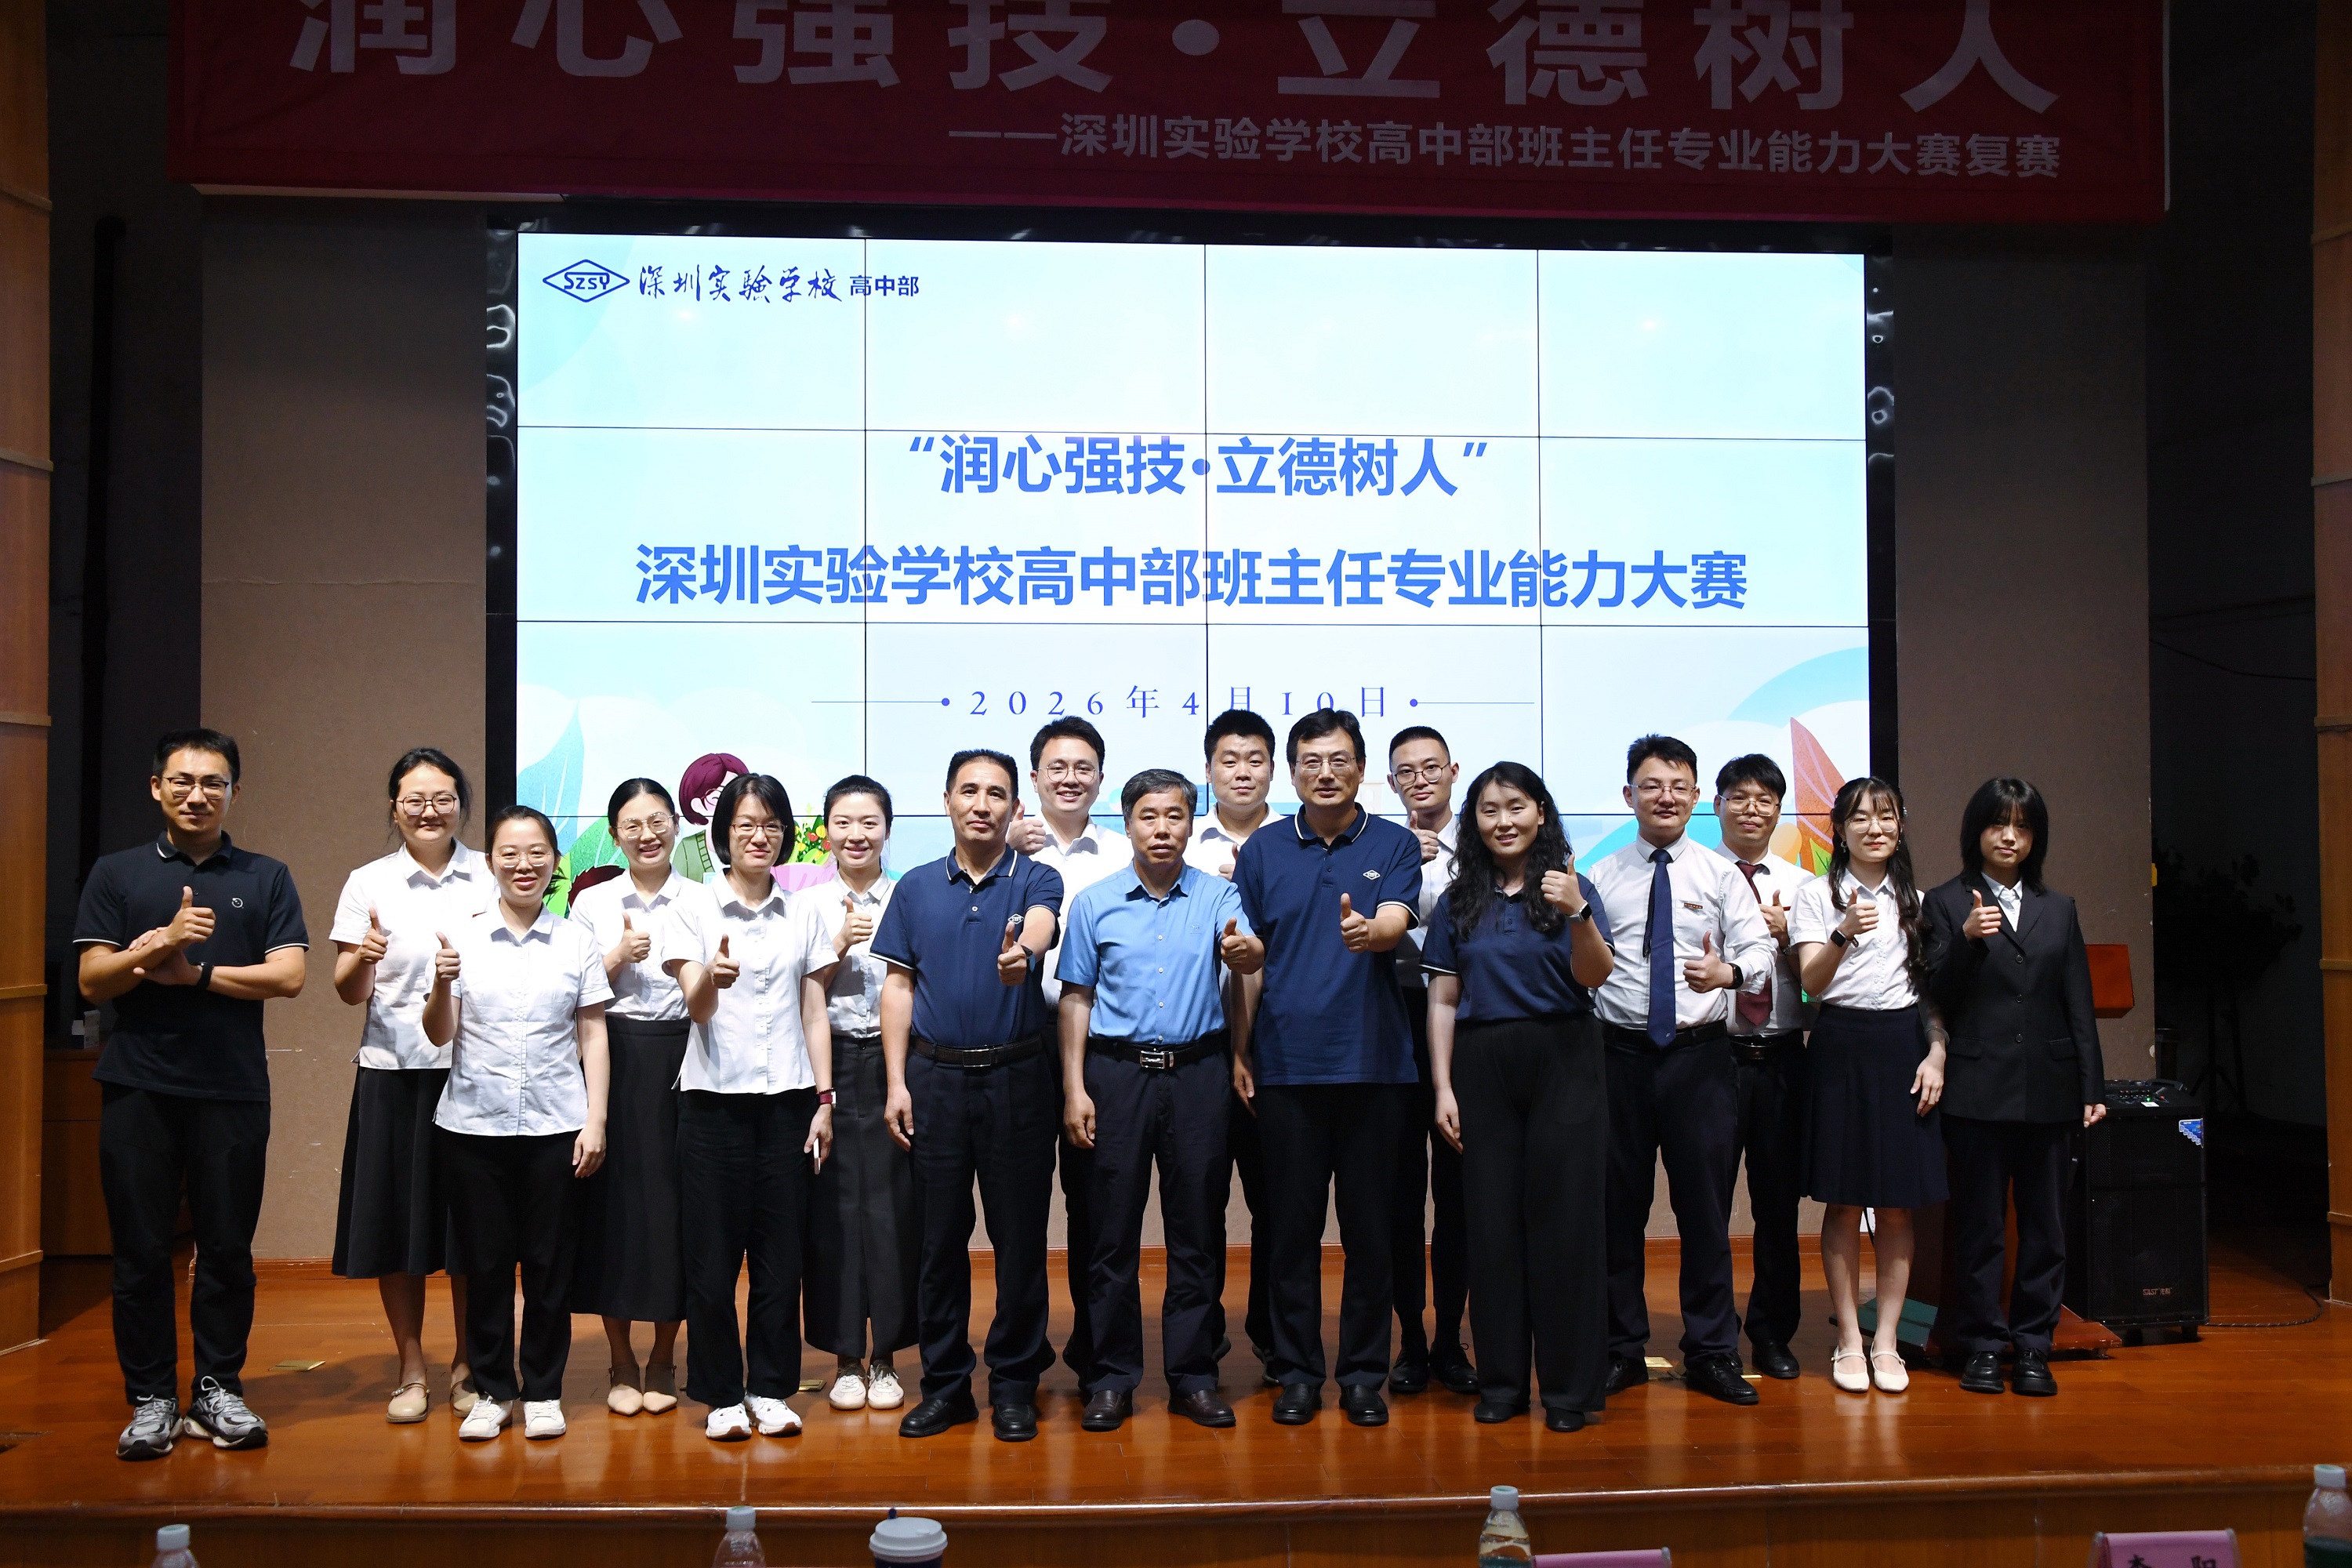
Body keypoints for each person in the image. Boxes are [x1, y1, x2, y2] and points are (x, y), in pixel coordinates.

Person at [75, 728, 308, 1461]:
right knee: (140, 1251)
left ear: (234, 791)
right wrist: (161, 942)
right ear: (157, 787)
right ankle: (151, 1398)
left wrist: (196, 974)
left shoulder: (266, 875)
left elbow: (289, 976)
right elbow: (92, 980)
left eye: (213, 782)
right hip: (138, 1086)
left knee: (228, 1249)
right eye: (182, 781)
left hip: (232, 1089)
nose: (197, 795)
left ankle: (217, 1389)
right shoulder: (116, 873)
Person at [1058, 768, 1264, 1432]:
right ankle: (1111, 1378)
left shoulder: (1220, 894)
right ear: (1127, 825)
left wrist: (1247, 955)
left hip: (1198, 1072)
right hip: (1115, 1076)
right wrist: (1074, 1087)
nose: (1162, 829)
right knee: (1110, 1234)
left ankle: (1194, 1376)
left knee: (1198, 1231)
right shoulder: (1093, 903)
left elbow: (1248, 961)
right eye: (1148, 816)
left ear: (1190, 822)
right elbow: (1076, 998)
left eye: (1175, 815)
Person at [1233, 709, 1422, 1428]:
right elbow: (1250, 956)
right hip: (1286, 1065)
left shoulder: (1394, 842)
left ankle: (1364, 1375)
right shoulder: (1263, 850)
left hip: (1374, 1066)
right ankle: (1298, 1373)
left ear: (1361, 769)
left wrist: (1373, 931)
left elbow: (1397, 919)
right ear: (1292, 773)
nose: (1325, 772)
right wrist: (1241, 1049)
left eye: (1339, 760)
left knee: (1371, 1232)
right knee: (1291, 1232)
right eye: (1311, 761)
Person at [873, 750, 1064, 1443]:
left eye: (997, 794)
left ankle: (1014, 1385)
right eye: (969, 791)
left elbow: (1042, 923)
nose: (982, 804)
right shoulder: (915, 887)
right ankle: (947, 1386)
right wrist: (896, 1082)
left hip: (1019, 1078)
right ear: (947, 800)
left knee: (1020, 1241)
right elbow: (899, 988)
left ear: (1016, 806)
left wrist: (1025, 955)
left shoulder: (1036, 876)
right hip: (935, 1082)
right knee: (937, 1242)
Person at [1586, 735, 1773, 1408]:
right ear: (1628, 795)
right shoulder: (1600, 875)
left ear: (1696, 796)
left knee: (1705, 1212)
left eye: (1678, 786)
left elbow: (1760, 953)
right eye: (1651, 785)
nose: (1665, 797)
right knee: (1617, 1211)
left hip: (1700, 1059)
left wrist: (1730, 972)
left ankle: (1713, 1352)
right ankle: (1620, 1349)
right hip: (1618, 1057)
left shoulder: (1720, 876)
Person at [1427, 762, 1614, 1431]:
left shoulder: (1572, 887)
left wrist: (1578, 913)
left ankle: (1567, 1392)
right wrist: (1443, 1086)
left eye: (1515, 806)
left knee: (1566, 1226)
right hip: (1482, 1063)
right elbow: (1443, 997)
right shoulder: (1459, 900)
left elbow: (1594, 975)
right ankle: (1502, 1384)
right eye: (1488, 810)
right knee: (1491, 1225)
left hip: (1565, 1056)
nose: (1503, 821)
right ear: (1474, 822)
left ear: (1540, 812)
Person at [424, 804, 612, 1443]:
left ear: (555, 862)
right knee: (485, 1266)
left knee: (549, 1265)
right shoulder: (462, 936)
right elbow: (439, 1034)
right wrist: (441, 986)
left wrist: (595, 1119)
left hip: (557, 1123)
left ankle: (544, 1390)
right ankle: (492, 1390)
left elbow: (593, 1033)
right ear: (490, 862)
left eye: (537, 853)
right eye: (510, 853)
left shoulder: (576, 940)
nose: (523, 864)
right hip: (473, 1126)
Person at [659, 773, 837, 1442]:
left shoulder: (804, 912)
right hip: (712, 1105)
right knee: (710, 1261)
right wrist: (712, 976)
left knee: (780, 1258)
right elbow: (696, 1006)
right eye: (745, 826)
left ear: (784, 834)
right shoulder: (693, 908)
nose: (759, 837)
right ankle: (720, 1393)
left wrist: (824, 1098)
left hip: (788, 1102)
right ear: (723, 834)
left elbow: (814, 1010)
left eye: (771, 825)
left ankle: (769, 1387)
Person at [1921, 778, 2108, 1399]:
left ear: (2035, 839)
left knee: (2046, 1227)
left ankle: (2033, 1346)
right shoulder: (1945, 902)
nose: (2009, 837)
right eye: (1998, 824)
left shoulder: (2059, 908)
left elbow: (2077, 1001)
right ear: (1976, 831)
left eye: (2022, 827)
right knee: (1979, 1227)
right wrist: (1968, 942)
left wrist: (2091, 1083)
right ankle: (1981, 1345)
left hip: (2050, 1090)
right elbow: (1934, 994)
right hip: (1976, 1088)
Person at [328, 747, 492, 1425]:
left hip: (473, 1073)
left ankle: (469, 1364)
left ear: (461, 805)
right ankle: (411, 1368)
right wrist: (362, 959)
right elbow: (348, 992)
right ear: (394, 807)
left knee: (471, 1231)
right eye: (415, 800)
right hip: (393, 1075)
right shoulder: (369, 882)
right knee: (398, 1229)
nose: (429, 811)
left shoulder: (489, 875)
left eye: (443, 798)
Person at [1788, 776, 1947, 1396]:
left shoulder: (1921, 902)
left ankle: (1887, 1342)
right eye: (1860, 817)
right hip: (1841, 1045)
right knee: (1845, 1200)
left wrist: (1936, 1053)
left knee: (1898, 1203)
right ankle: (1850, 1339)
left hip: (1903, 1046)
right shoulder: (1815, 894)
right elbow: (1812, 984)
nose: (1874, 828)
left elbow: (1931, 995)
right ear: (1840, 829)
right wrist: (1843, 931)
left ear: (1900, 826)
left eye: (1885, 816)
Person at [566, 779, 692, 1419]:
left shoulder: (701, 898)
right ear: (615, 834)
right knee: (611, 1210)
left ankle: (665, 1357)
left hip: (684, 1055)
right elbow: (570, 989)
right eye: (633, 825)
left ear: (676, 825)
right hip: (609, 1052)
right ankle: (620, 1359)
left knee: (674, 1210)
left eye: (658, 821)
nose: (648, 835)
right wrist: (616, 955)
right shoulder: (592, 901)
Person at [1009, 717, 1128, 1392]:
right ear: (1035, 778)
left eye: (1084, 767)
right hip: (1021, 1039)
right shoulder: (1003, 848)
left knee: (1095, 1202)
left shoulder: (1122, 852)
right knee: (1022, 1202)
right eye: (1057, 767)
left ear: (1101, 778)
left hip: (1099, 1041)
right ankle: (1023, 1353)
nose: (1070, 779)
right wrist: (1005, 848)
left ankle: (1094, 1346)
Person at [800, 775, 917, 1415]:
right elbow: (795, 991)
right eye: (843, 822)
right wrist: (838, 942)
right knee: (836, 1212)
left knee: (896, 1210)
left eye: (869, 822)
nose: (856, 834)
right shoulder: (805, 906)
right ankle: (845, 1356)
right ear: (826, 831)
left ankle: (888, 1355)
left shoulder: (910, 896)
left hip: (901, 1063)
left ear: (887, 830)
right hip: (832, 1061)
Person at [1711, 753, 1813, 1383]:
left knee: (1778, 1206)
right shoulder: (1696, 875)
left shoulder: (1805, 886)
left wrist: (1787, 938)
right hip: (1713, 1058)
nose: (1752, 810)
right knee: (1708, 1205)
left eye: (1765, 799)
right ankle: (1714, 1335)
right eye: (1740, 797)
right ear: (1716, 804)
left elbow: (1823, 983)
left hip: (1781, 1058)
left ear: (1779, 810)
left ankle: (1772, 1333)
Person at [1185, 708, 1279, 1381]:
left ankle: (1273, 1336)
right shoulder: (1180, 841)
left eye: (1255, 759)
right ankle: (1205, 1339)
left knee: (1276, 1197)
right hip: (1200, 1044)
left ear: (1273, 769)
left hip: (1281, 1044)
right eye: (1229, 760)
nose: (1242, 771)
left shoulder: (1298, 840)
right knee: (1202, 1198)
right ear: (1209, 769)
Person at [1383, 724, 1473, 1398]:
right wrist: (1403, 870)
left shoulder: (1487, 844)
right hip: (1391, 1022)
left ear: (1453, 771)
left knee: (1460, 1196)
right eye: (1407, 772)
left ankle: (1450, 1339)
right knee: (1399, 1194)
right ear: (1391, 783)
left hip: (1464, 1027)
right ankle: (1410, 1339)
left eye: (1431, 767)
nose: (1420, 780)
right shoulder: (1381, 848)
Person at [672, 752, 747, 884]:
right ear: (698, 805)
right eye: (716, 798)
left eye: (734, 797)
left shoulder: (754, 843)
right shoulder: (687, 849)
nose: (726, 805)